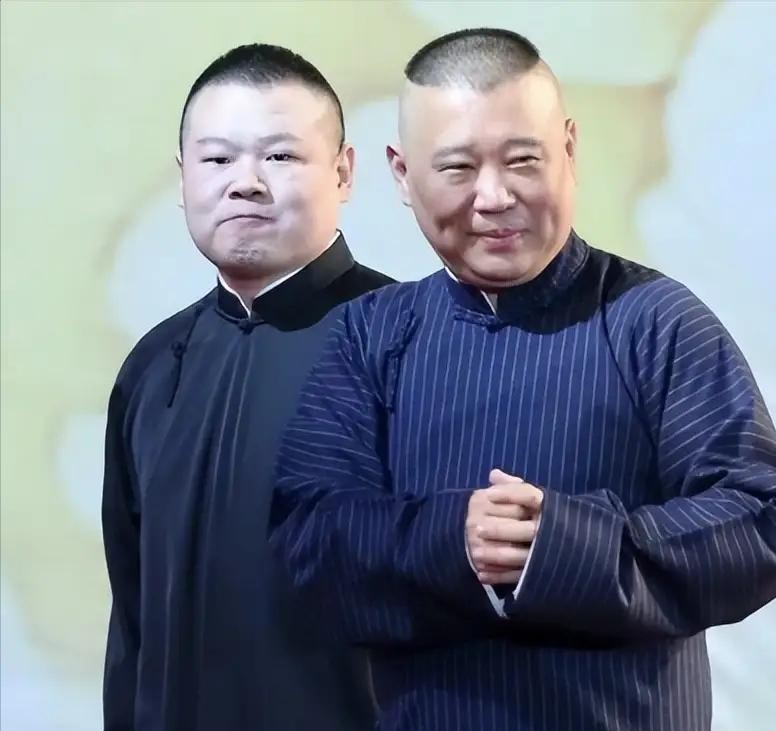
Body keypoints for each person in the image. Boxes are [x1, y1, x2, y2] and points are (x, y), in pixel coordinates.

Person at [269, 28, 776, 731]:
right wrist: (453, 538)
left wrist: (567, 547)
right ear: (402, 173)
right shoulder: (370, 336)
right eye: (457, 168)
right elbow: (306, 547)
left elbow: (757, 518)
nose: (494, 196)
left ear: (568, 150)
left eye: (522, 160)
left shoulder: (656, 320)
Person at [101, 43, 392, 731]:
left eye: (280, 156)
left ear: (343, 172)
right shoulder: (152, 368)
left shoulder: (412, 344)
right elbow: (133, 625)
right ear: (183, 178)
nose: (246, 183)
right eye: (217, 159)